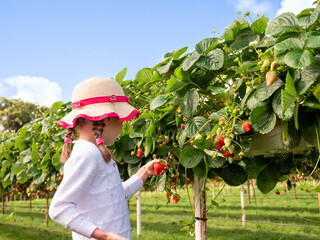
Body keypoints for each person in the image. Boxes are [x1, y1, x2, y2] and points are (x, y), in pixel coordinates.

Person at [49, 77, 166, 240]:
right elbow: (59, 208)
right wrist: (104, 236)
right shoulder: (87, 154)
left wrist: (144, 172)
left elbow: (116, 196)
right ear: (106, 118)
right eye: (120, 120)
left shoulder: (96, 153)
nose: (122, 126)